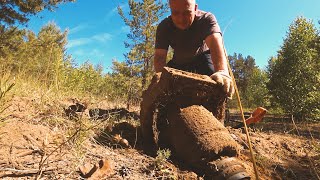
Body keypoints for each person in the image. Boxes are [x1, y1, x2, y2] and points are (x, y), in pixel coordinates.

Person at [153, 0, 234, 98]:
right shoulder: (164, 27)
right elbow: (160, 57)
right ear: (170, 9)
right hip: (178, 63)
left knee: (217, 82)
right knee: (165, 87)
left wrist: (222, 71)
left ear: (195, 9)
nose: (181, 19)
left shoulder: (206, 19)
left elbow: (214, 43)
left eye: (187, 13)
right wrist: (161, 79)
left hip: (202, 60)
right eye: (175, 13)